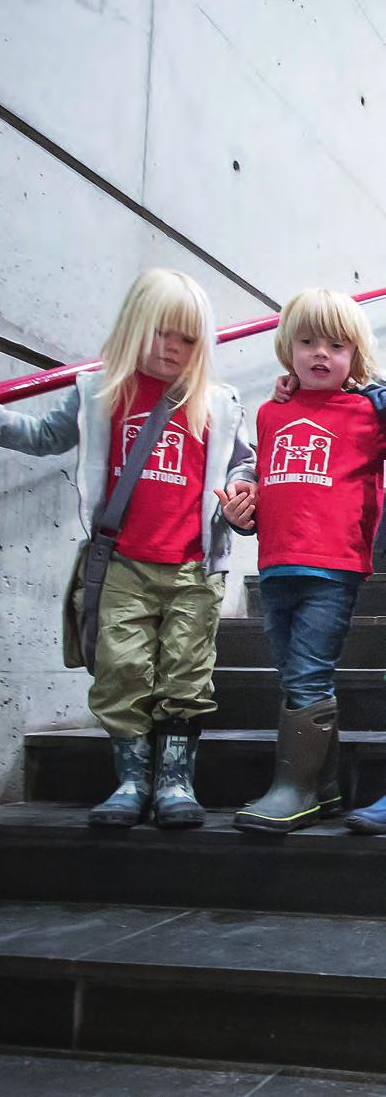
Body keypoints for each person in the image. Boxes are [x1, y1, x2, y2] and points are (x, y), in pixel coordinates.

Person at [0, 268, 256, 830]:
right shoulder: (98, 392)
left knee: (186, 677)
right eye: (160, 332)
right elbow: (41, 436)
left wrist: (243, 494)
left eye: (187, 338)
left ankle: (174, 782)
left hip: (193, 567)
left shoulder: (217, 401)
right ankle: (132, 780)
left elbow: (243, 463)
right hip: (121, 564)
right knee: (121, 670)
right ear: (134, 327)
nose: (171, 348)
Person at [217, 288, 386, 834]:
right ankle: (327, 783)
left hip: (333, 566)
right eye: (307, 342)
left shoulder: (366, 413)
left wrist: (373, 387)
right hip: (276, 563)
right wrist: (245, 509)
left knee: (309, 672)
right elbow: (267, 481)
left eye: (336, 345)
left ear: (355, 355)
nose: (320, 354)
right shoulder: (271, 412)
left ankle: (295, 789)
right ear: (286, 349)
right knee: (293, 673)